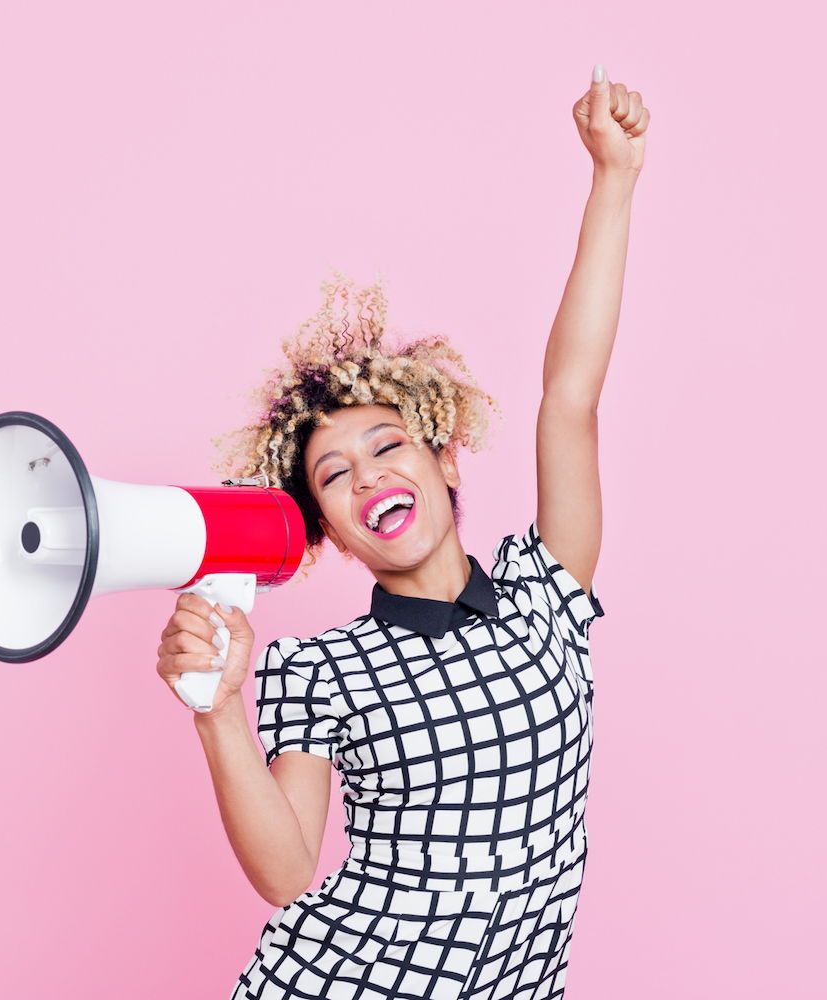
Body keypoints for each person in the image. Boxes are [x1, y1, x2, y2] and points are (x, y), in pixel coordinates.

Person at [156, 65, 647, 1000]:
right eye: (334, 475)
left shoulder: (548, 596)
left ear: (446, 461)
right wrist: (217, 713)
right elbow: (286, 872)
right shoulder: (317, 671)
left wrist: (612, 179)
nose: (368, 474)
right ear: (333, 532)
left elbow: (570, 396)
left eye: (388, 446)